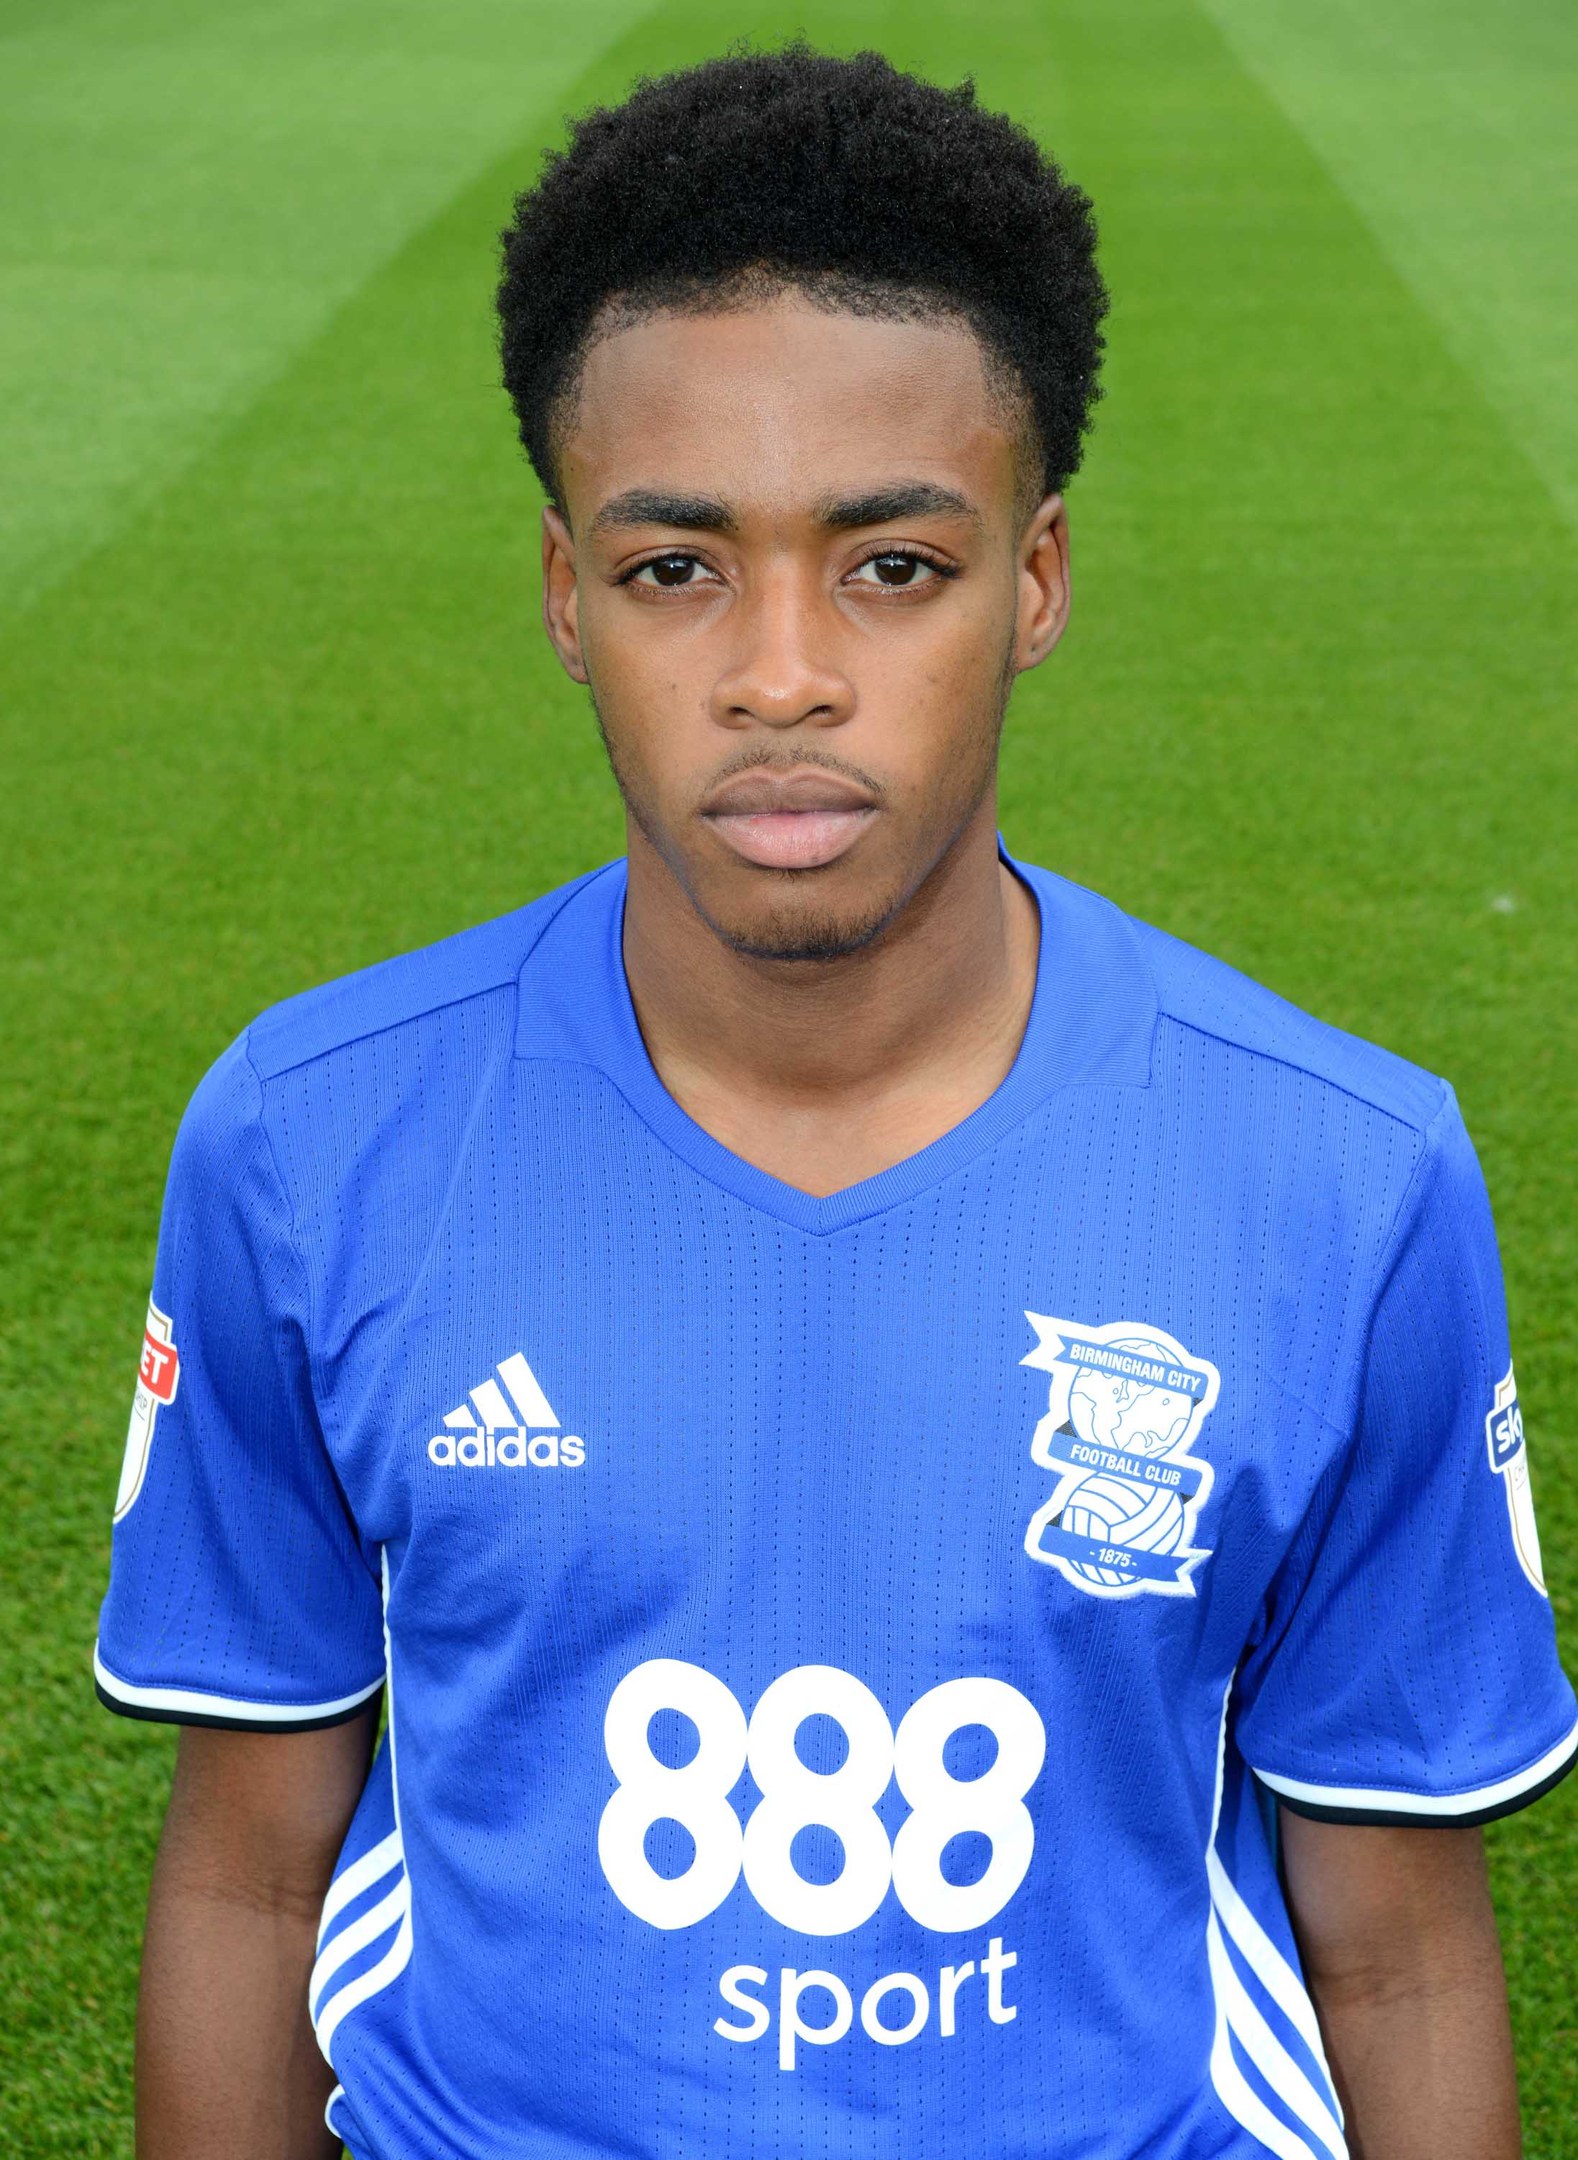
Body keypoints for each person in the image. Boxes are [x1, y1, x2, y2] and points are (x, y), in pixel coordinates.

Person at [96, 45, 1574, 2160]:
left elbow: (1401, 1947)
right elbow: (250, 1864)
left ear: (1036, 583)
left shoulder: (1345, 1182)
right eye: (677, 568)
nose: (781, 673)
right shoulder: (310, 1142)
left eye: (891, 565)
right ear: (561, 594)